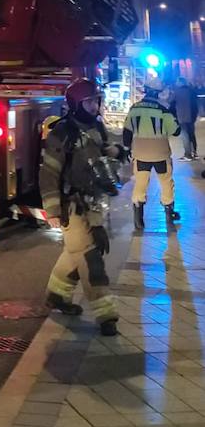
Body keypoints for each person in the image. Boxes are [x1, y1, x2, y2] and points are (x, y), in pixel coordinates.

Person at [41, 78, 121, 336]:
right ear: (76, 104)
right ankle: (106, 314)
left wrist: (115, 150)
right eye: (89, 102)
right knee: (89, 257)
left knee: (80, 250)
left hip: (93, 201)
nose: (95, 106)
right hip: (70, 206)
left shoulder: (96, 126)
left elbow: (103, 151)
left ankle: (56, 295)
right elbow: (49, 173)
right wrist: (52, 211)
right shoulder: (62, 133)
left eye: (96, 101)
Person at [123, 77, 181, 228]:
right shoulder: (164, 109)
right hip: (161, 154)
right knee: (166, 183)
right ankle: (169, 215)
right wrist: (173, 111)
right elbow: (176, 131)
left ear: (145, 91)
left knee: (140, 185)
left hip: (140, 154)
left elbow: (127, 132)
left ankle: (138, 220)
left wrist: (127, 148)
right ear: (158, 93)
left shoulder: (134, 108)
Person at [173, 76, 199, 159]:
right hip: (191, 116)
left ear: (180, 83)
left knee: (185, 136)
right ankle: (194, 153)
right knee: (191, 134)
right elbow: (196, 104)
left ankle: (187, 155)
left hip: (182, 117)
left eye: (177, 82)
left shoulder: (176, 92)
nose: (176, 83)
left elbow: (171, 102)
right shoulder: (191, 91)